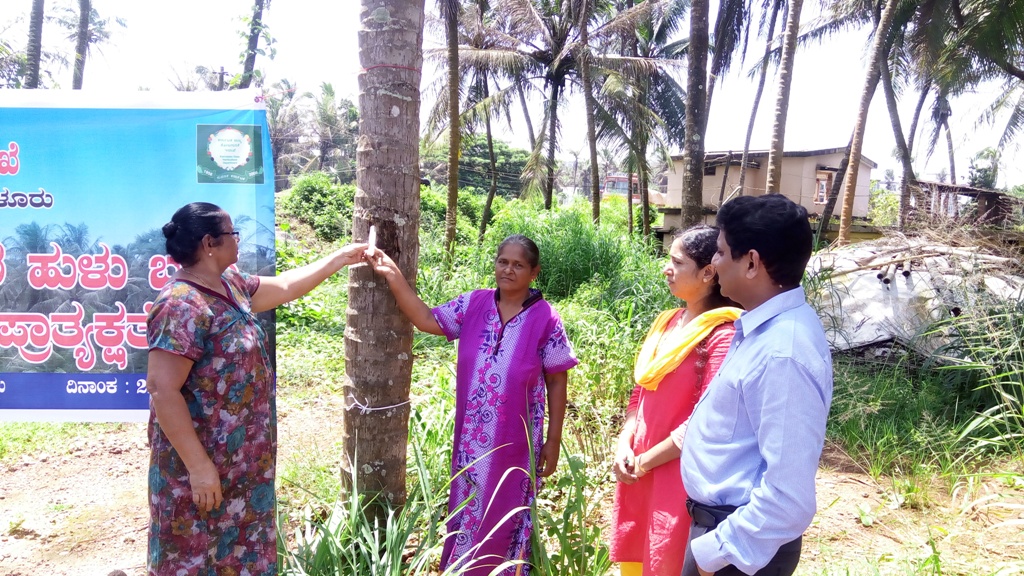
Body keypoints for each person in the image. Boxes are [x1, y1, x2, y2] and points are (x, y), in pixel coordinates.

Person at [146, 202, 366, 576]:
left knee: (242, 556)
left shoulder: (230, 285)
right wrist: (199, 468)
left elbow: (283, 287)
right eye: (233, 234)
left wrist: (339, 259)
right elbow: (161, 389)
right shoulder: (182, 304)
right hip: (202, 465)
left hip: (244, 464)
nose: (238, 241)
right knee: (195, 555)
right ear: (209, 243)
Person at [369, 234, 577, 576]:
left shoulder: (546, 319)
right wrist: (393, 274)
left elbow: (557, 379)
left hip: (516, 443)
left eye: (518, 264)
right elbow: (426, 319)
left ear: (534, 272)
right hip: (471, 440)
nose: (508, 270)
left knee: (505, 510)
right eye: (502, 261)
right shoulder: (474, 304)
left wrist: (552, 441)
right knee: (467, 508)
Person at [679, 194, 834, 576]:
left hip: (739, 548)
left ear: (751, 262)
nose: (713, 263)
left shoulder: (784, 352)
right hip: (725, 536)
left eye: (720, 252)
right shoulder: (761, 329)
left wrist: (714, 553)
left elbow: (788, 497)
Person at [610, 225, 741, 576]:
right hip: (639, 466)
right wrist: (625, 441)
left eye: (677, 262)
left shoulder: (722, 335)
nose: (666, 269)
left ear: (708, 273)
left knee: (666, 558)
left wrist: (645, 462)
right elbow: (641, 391)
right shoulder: (667, 323)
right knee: (637, 560)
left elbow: (703, 421)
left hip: (677, 475)